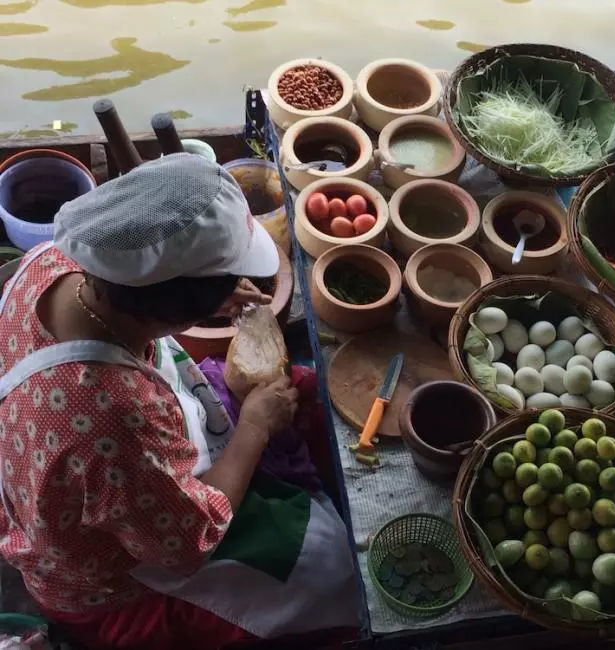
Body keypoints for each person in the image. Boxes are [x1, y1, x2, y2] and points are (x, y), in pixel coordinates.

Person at [0, 154, 358, 649]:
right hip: (109, 587)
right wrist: (253, 428)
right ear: (184, 309)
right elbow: (189, 543)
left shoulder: (53, 263)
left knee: (301, 389)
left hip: (101, 465)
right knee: (334, 572)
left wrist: (212, 293)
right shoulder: (114, 416)